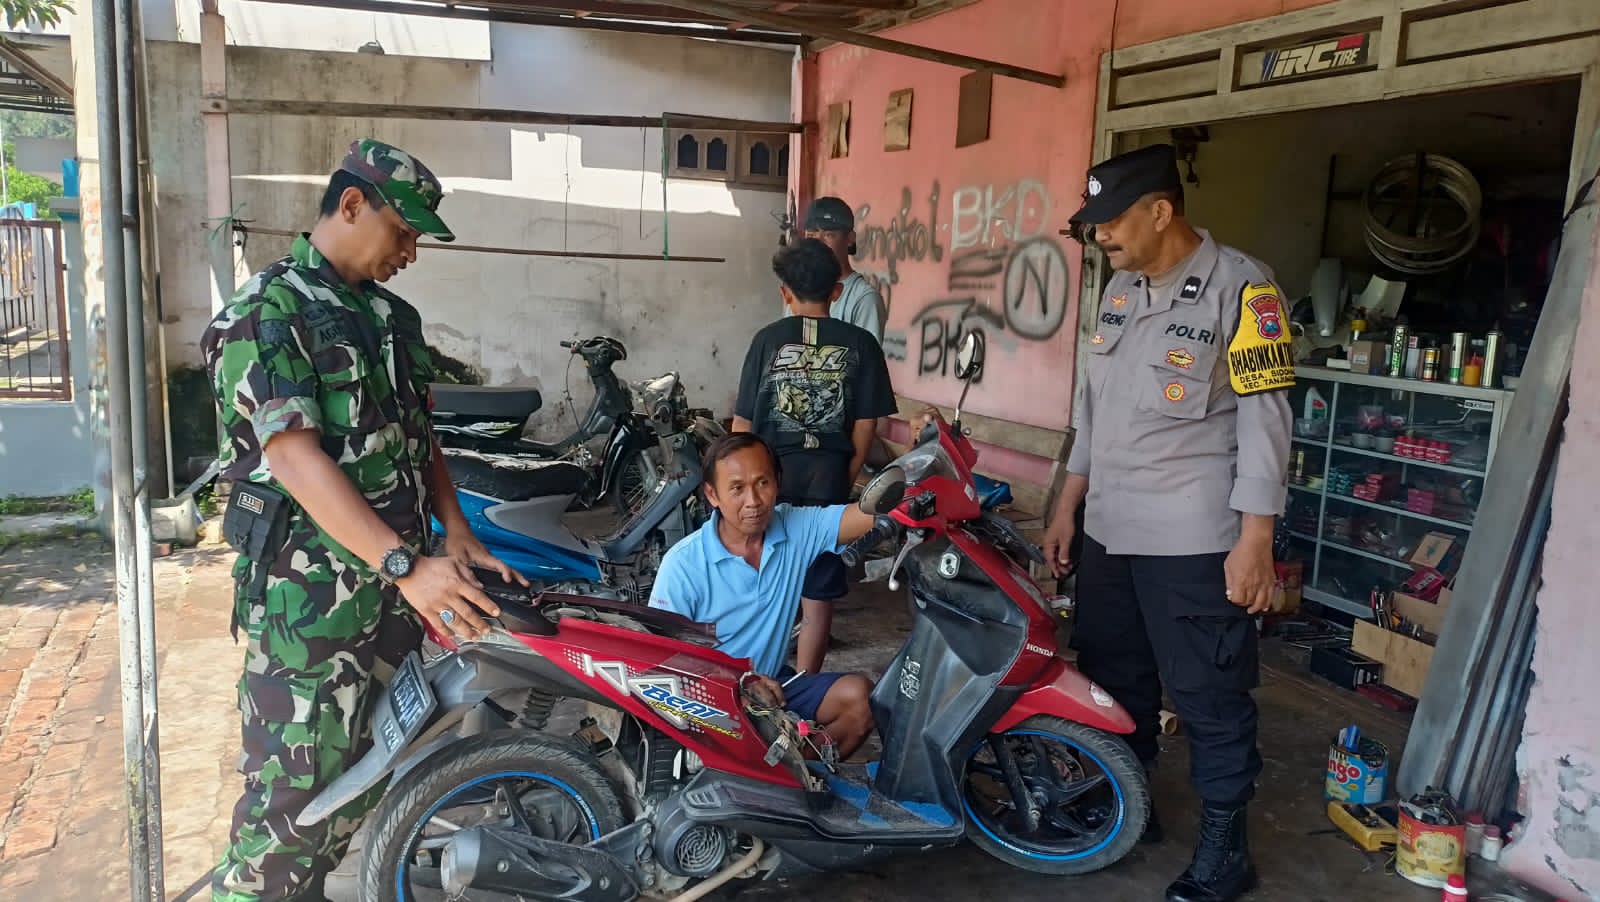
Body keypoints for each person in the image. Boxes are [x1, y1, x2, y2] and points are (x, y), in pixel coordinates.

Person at [201, 138, 526, 902]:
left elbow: (418, 433)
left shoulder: (390, 317)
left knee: (359, 783)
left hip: (390, 605)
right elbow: (294, 459)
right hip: (311, 613)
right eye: (403, 231)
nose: (410, 252)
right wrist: (406, 566)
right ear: (350, 204)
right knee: (284, 813)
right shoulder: (267, 313)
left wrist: (456, 531)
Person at [1043, 143, 1294, 902]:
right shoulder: (1119, 291)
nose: (1099, 236)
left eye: (1111, 220)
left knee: (1209, 693)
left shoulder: (1245, 289)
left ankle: (1225, 845)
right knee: (1112, 675)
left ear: (1160, 211)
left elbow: (1266, 420)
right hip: (1109, 529)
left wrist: (1256, 539)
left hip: (1192, 537)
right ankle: (1132, 802)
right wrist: (1067, 504)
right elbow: (1092, 413)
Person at [647, 432, 880, 758]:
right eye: (737, 488)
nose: (753, 501)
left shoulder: (796, 528)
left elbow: (867, 515)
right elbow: (660, 664)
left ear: (778, 482)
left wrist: (923, 478)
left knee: (861, 700)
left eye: (763, 483)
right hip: (711, 699)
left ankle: (796, 775)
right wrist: (739, 685)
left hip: (773, 687)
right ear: (712, 494)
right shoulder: (683, 565)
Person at [733, 238, 896, 675]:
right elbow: (866, 424)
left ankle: (750, 680)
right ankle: (805, 685)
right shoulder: (861, 343)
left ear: (784, 292)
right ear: (837, 291)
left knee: (758, 580)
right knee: (818, 596)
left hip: (769, 482)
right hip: (828, 481)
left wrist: (738, 488)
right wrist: (847, 475)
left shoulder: (766, 341)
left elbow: (742, 425)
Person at [789, 196, 885, 342]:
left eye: (829, 235)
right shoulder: (798, 291)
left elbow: (867, 355)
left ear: (850, 238)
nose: (818, 243)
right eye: (811, 235)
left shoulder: (864, 298)